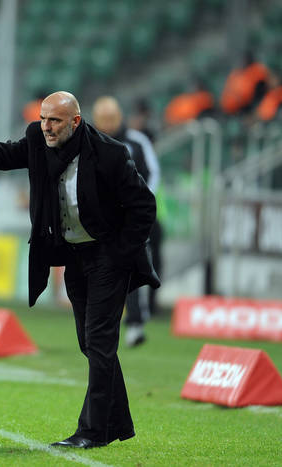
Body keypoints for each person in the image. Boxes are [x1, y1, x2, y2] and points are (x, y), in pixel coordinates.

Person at [0, 91, 159, 449]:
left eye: (55, 120)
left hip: (107, 256)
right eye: (43, 119)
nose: (46, 127)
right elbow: (7, 153)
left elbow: (144, 205)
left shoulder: (110, 153)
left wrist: (120, 254)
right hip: (75, 255)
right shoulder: (38, 140)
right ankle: (116, 422)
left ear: (75, 122)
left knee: (99, 342)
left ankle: (92, 431)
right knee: (89, 344)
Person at [92, 96, 163, 347]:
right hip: (101, 218)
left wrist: (140, 203)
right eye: (103, 118)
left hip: (131, 217)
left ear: (120, 116)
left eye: (111, 117)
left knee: (132, 267)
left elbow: (153, 172)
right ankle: (100, 324)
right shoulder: (88, 143)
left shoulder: (136, 141)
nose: (108, 123)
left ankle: (135, 323)